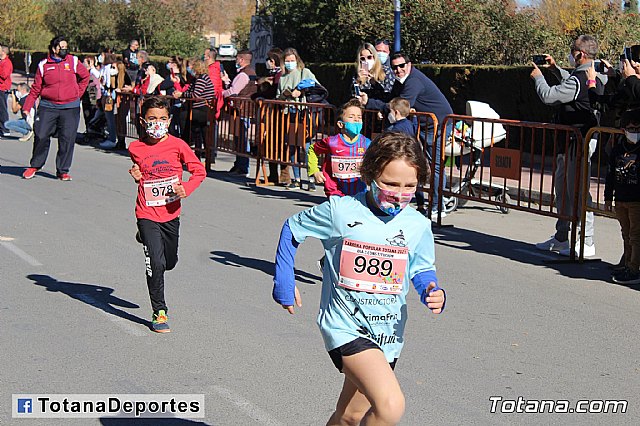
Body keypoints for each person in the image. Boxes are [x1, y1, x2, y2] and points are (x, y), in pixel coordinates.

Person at [272, 131, 445, 425]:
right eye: (390, 184)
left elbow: (421, 268)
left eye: (409, 186)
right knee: (390, 406)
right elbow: (292, 229)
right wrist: (284, 282)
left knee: (350, 416)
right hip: (345, 327)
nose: (400, 193)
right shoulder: (341, 211)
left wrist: (431, 288)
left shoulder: (417, 224)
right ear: (370, 174)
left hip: (388, 331)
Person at [128, 96, 206, 333]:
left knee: (169, 262)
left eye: (162, 119)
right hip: (147, 212)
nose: (157, 123)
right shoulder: (136, 148)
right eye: (152, 119)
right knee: (155, 263)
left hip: (171, 213)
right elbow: (140, 171)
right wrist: (137, 175)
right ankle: (159, 311)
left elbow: (199, 171)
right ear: (143, 121)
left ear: (169, 121)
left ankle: (146, 239)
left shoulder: (178, 145)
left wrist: (187, 188)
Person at [531, 35, 605, 257]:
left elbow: (550, 96)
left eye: (572, 50)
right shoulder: (590, 74)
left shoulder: (580, 78)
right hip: (570, 141)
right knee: (563, 189)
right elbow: (572, 82)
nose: (570, 55)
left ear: (579, 54)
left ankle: (586, 240)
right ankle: (562, 236)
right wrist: (554, 69)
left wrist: (538, 77)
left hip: (578, 141)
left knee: (579, 191)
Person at [360, 51, 454, 218]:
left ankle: (437, 205)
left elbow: (399, 106)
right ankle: (426, 201)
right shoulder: (401, 81)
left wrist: (376, 105)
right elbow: (392, 101)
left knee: (433, 166)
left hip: (437, 124)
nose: (398, 70)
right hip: (424, 125)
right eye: (394, 67)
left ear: (409, 65)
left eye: (402, 66)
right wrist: (376, 104)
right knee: (420, 162)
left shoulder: (413, 81)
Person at [22, 35, 90, 181]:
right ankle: (35, 165)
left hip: (70, 107)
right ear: (54, 49)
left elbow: (85, 77)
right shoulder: (44, 65)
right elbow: (36, 88)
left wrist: (77, 93)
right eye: (61, 47)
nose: (64, 49)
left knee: (67, 138)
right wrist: (27, 106)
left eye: (66, 47)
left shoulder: (73, 61)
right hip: (48, 106)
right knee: (41, 135)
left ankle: (62, 170)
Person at [277, 47, 321, 190]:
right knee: (292, 147)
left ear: (297, 60)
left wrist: (300, 89)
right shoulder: (282, 77)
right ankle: (296, 178)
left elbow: (314, 83)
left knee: (307, 146)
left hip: (303, 114)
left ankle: (310, 178)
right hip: (288, 113)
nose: (290, 63)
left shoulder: (304, 72)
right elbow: (278, 96)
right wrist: (284, 96)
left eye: (292, 60)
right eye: (287, 61)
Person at [308, 98, 371, 198]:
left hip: (359, 191)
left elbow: (375, 161)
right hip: (335, 191)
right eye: (351, 117)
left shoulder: (366, 143)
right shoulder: (332, 142)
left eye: (359, 117)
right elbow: (312, 150)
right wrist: (315, 171)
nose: (356, 120)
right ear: (341, 124)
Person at [605, 108, 640, 284]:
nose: (635, 133)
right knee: (626, 233)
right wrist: (607, 197)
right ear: (623, 130)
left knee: (635, 235)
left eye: (638, 129)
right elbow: (610, 174)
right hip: (620, 198)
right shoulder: (618, 150)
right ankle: (627, 264)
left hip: (636, 200)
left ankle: (634, 268)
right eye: (631, 129)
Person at [223, 50, 257, 176]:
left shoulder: (244, 74)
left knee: (241, 139)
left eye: (237, 58)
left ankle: (242, 166)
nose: (235, 61)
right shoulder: (249, 72)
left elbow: (233, 91)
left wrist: (221, 93)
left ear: (241, 60)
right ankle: (239, 164)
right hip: (244, 109)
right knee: (240, 138)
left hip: (242, 109)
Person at [174, 58, 215, 154]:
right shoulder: (196, 79)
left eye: (191, 66)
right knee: (198, 131)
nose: (189, 68)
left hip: (203, 109)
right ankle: (196, 152)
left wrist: (181, 95)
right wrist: (181, 93)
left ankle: (186, 141)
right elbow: (189, 91)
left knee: (183, 117)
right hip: (199, 109)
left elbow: (195, 95)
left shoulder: (202, 79)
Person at [0, 45, 13, 137]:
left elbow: (4, 75)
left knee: (2, 109)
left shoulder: (7, 63)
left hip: (2, 88)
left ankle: (5, 129)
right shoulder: (2, 62)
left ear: (3, 52)